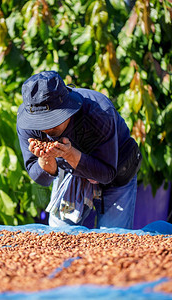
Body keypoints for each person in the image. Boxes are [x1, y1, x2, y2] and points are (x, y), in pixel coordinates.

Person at [17, 70, 142, 229]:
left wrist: (70, 154)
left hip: (116, 168)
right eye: (39, 122)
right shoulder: (28, 124)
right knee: (59, 236)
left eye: (51, 120)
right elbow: (42, 179)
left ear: (68, 108)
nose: (45, 127)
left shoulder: (99, 111)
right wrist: (46, 158)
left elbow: (107, 173)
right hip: (71, 171)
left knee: (113, 237)